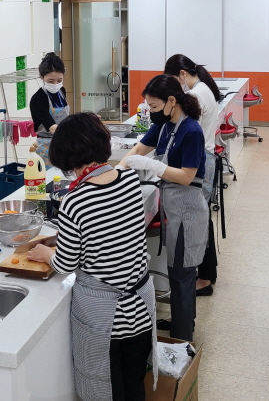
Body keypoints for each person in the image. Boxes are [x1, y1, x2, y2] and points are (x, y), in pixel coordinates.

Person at [27, 112, 157, 401]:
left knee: (106, 389)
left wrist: (47, 253)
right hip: (141, 309)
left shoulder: (75, 200)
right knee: (134, 385)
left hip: (105, 318)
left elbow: (65, 264)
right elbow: (113, 230)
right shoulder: (129, 179)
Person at [123, 74, 208, 342]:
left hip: (188, 210)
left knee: (182, 274)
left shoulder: (191, 131)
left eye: (154, 106)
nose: (151, 112)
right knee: (177, 271)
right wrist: (117, 171)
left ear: (172, 101)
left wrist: (154, 166)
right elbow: (139, 148)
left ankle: (182, 339)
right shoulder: (163, 125)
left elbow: (186, 176)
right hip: (173, 206)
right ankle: (183, 322)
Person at [164, 54, 220, 297]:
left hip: (201, 161)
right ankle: (207, 273)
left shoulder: (196, 95)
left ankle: (204, 279)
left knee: (197, 221)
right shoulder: (204, 88)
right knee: (202, 218)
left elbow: (184, 128)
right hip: (207, 157)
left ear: (183, 74)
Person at [29, 52, 69, 167]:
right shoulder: (38, 99)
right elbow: (53, 128)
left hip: (64, 143)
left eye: (59, 80)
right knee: (49, 176)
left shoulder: (61, 91)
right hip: (47, 147)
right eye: (51, 81)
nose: (56, 84)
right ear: (42, 77)